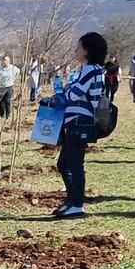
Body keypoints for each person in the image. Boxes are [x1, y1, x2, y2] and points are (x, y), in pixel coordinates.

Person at [50, 32, 106, 220]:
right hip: (76, 122)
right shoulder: (91, 70)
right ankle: (71, 200)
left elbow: (74, 94)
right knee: (64, 163)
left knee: (74, 164)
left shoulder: (91, 69)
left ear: (88, 50)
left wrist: (67, 88)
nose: (76, 50)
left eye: (78, 47)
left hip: (80, 122)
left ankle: (77, 205)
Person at [0, 55, 20, 119]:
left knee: (8, 101)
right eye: (4, 60)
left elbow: (18, 71)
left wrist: (15, 78)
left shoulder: (13, 68)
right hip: (0, 87)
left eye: (6, 60)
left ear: (9, 61)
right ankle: (2, 115)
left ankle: (8, 115)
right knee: (1, 102)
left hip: (9, 86)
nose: (5, 61)